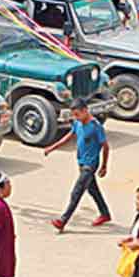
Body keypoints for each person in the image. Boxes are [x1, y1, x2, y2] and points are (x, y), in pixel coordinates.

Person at [46, 98, 111, 233]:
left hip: (90, 164)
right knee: (93, 190)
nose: (76, 117)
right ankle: (105, 214)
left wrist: (104, 166)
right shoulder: (77, 123)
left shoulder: (95, 127)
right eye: (74, 115)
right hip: (81, 162)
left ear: (85, 111)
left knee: (77, 192)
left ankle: (63, 220)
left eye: (77, 114)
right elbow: (69, 136)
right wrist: (52, 147)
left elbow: (105, 147)